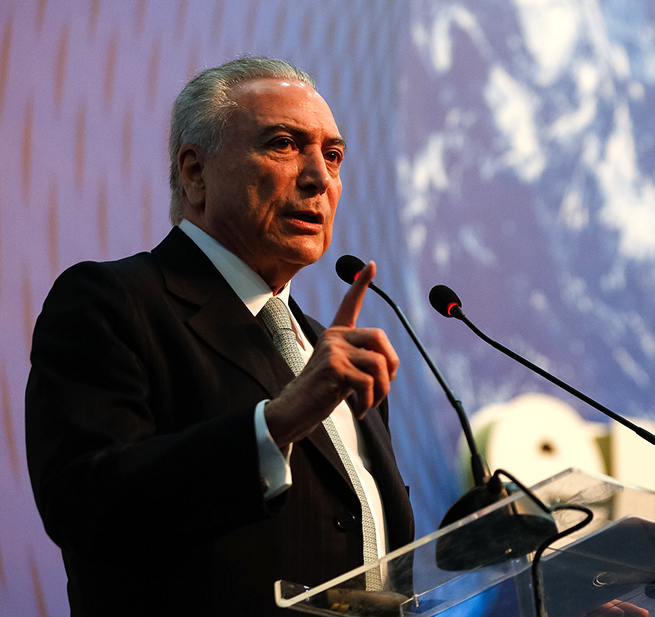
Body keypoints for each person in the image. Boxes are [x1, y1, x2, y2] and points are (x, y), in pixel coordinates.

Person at [25, 57, 415, 616]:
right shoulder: (112, 302)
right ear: (195, 174)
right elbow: (88, 506)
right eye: (284, 144)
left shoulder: (329, 352)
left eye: (332, 155)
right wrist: (275, 423)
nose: (319, 177)